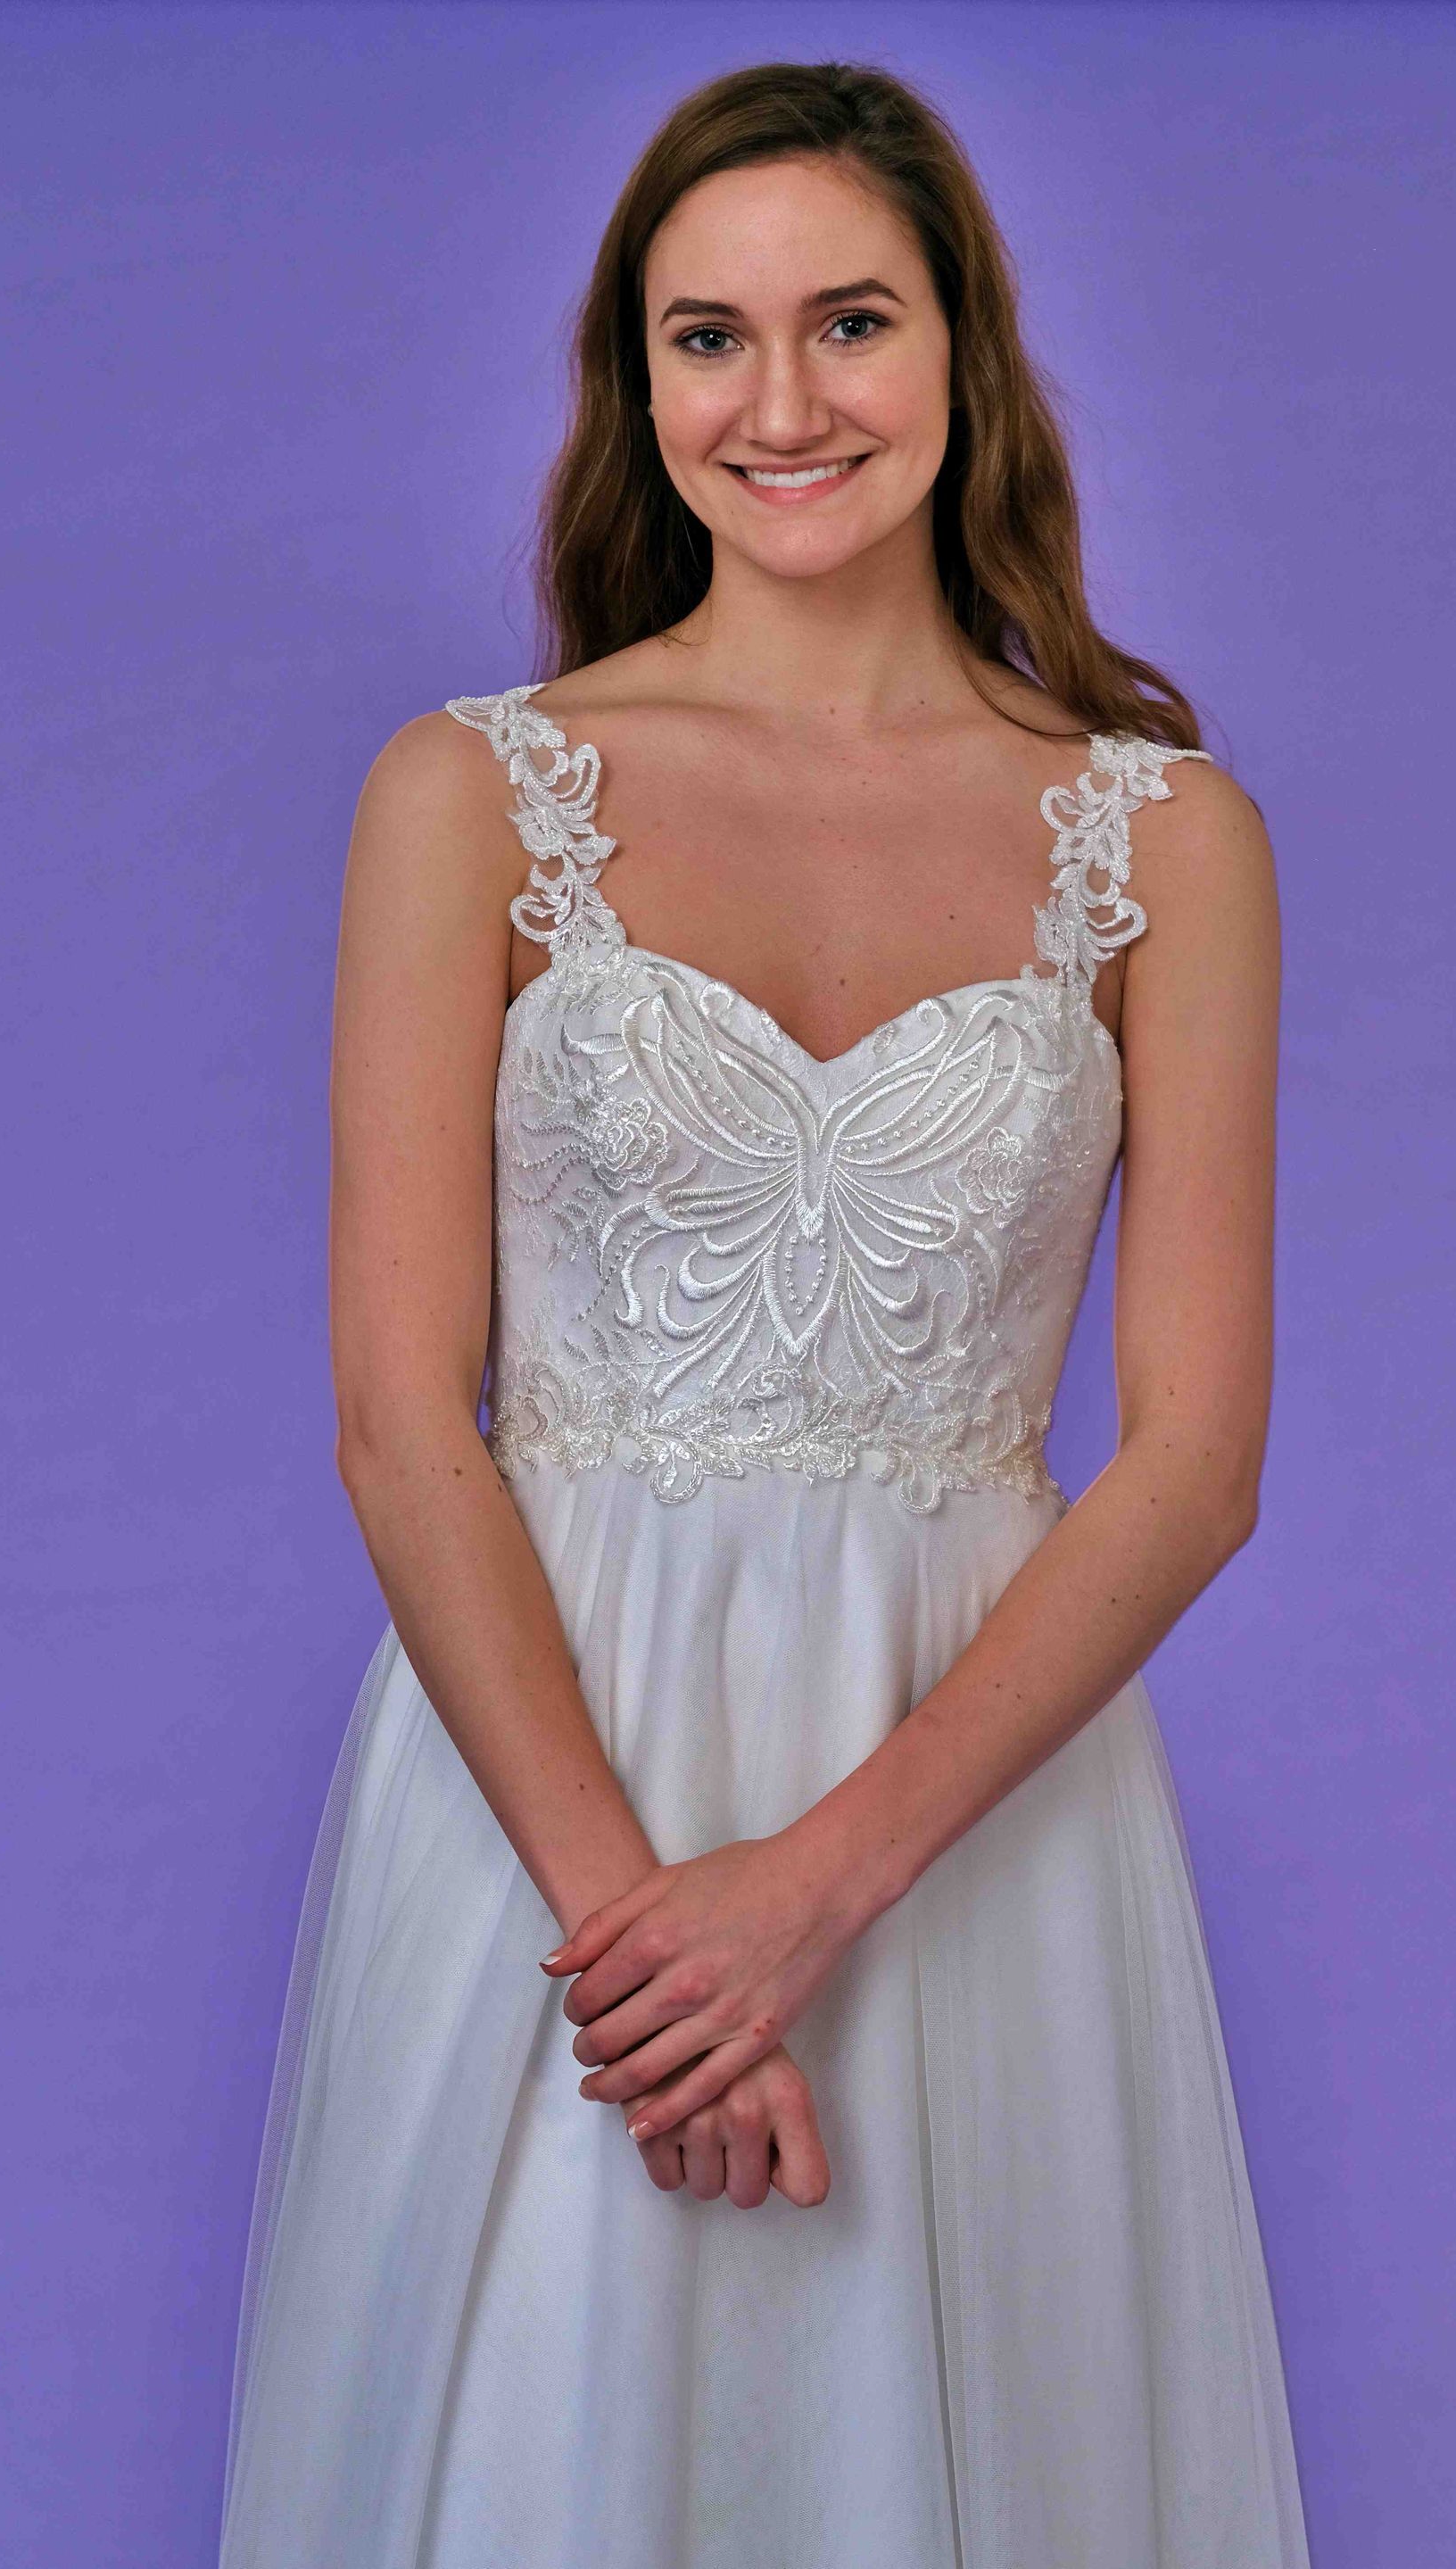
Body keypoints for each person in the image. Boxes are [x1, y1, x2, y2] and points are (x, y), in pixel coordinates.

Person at [219, 57, 1312, 2569]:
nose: (785, 403)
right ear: (639, 386)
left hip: (975, 1806)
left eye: (851, 322)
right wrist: (648, 1944)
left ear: (969, 359)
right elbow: (407, 1414)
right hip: (546, 1787)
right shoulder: (469, 794)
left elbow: (1197, 1456)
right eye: (708, 339)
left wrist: (813, 1887)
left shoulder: (1167, 837)